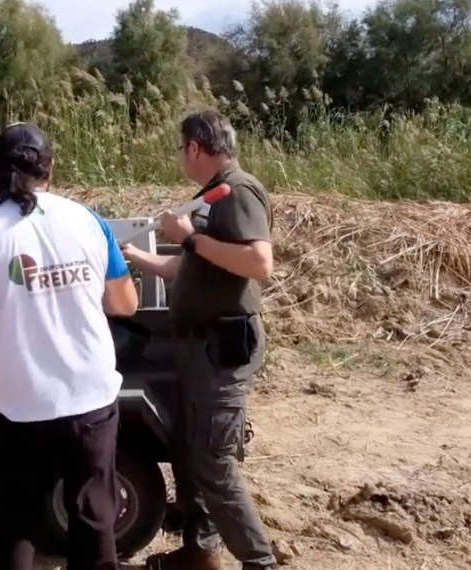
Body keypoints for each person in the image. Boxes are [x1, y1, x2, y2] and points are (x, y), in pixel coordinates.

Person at [0, 122, 139, 570]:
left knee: (16, 525)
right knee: (94, 520)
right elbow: (125, 303)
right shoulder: (89, 220)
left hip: (18, 405)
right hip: (90, 400)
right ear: (50, 168)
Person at [122, 110, 278, 570]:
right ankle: (201, 553)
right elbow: (185, 269)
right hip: (199, 347)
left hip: (222, 347)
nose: (179, 157)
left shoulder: (238, 189)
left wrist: (189, 239)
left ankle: (259, 562)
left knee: (213, 462)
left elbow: (258, 263)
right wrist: (133, 255)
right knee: (191, 453)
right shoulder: (210, 196)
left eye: (180, 148)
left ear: (194, 148)